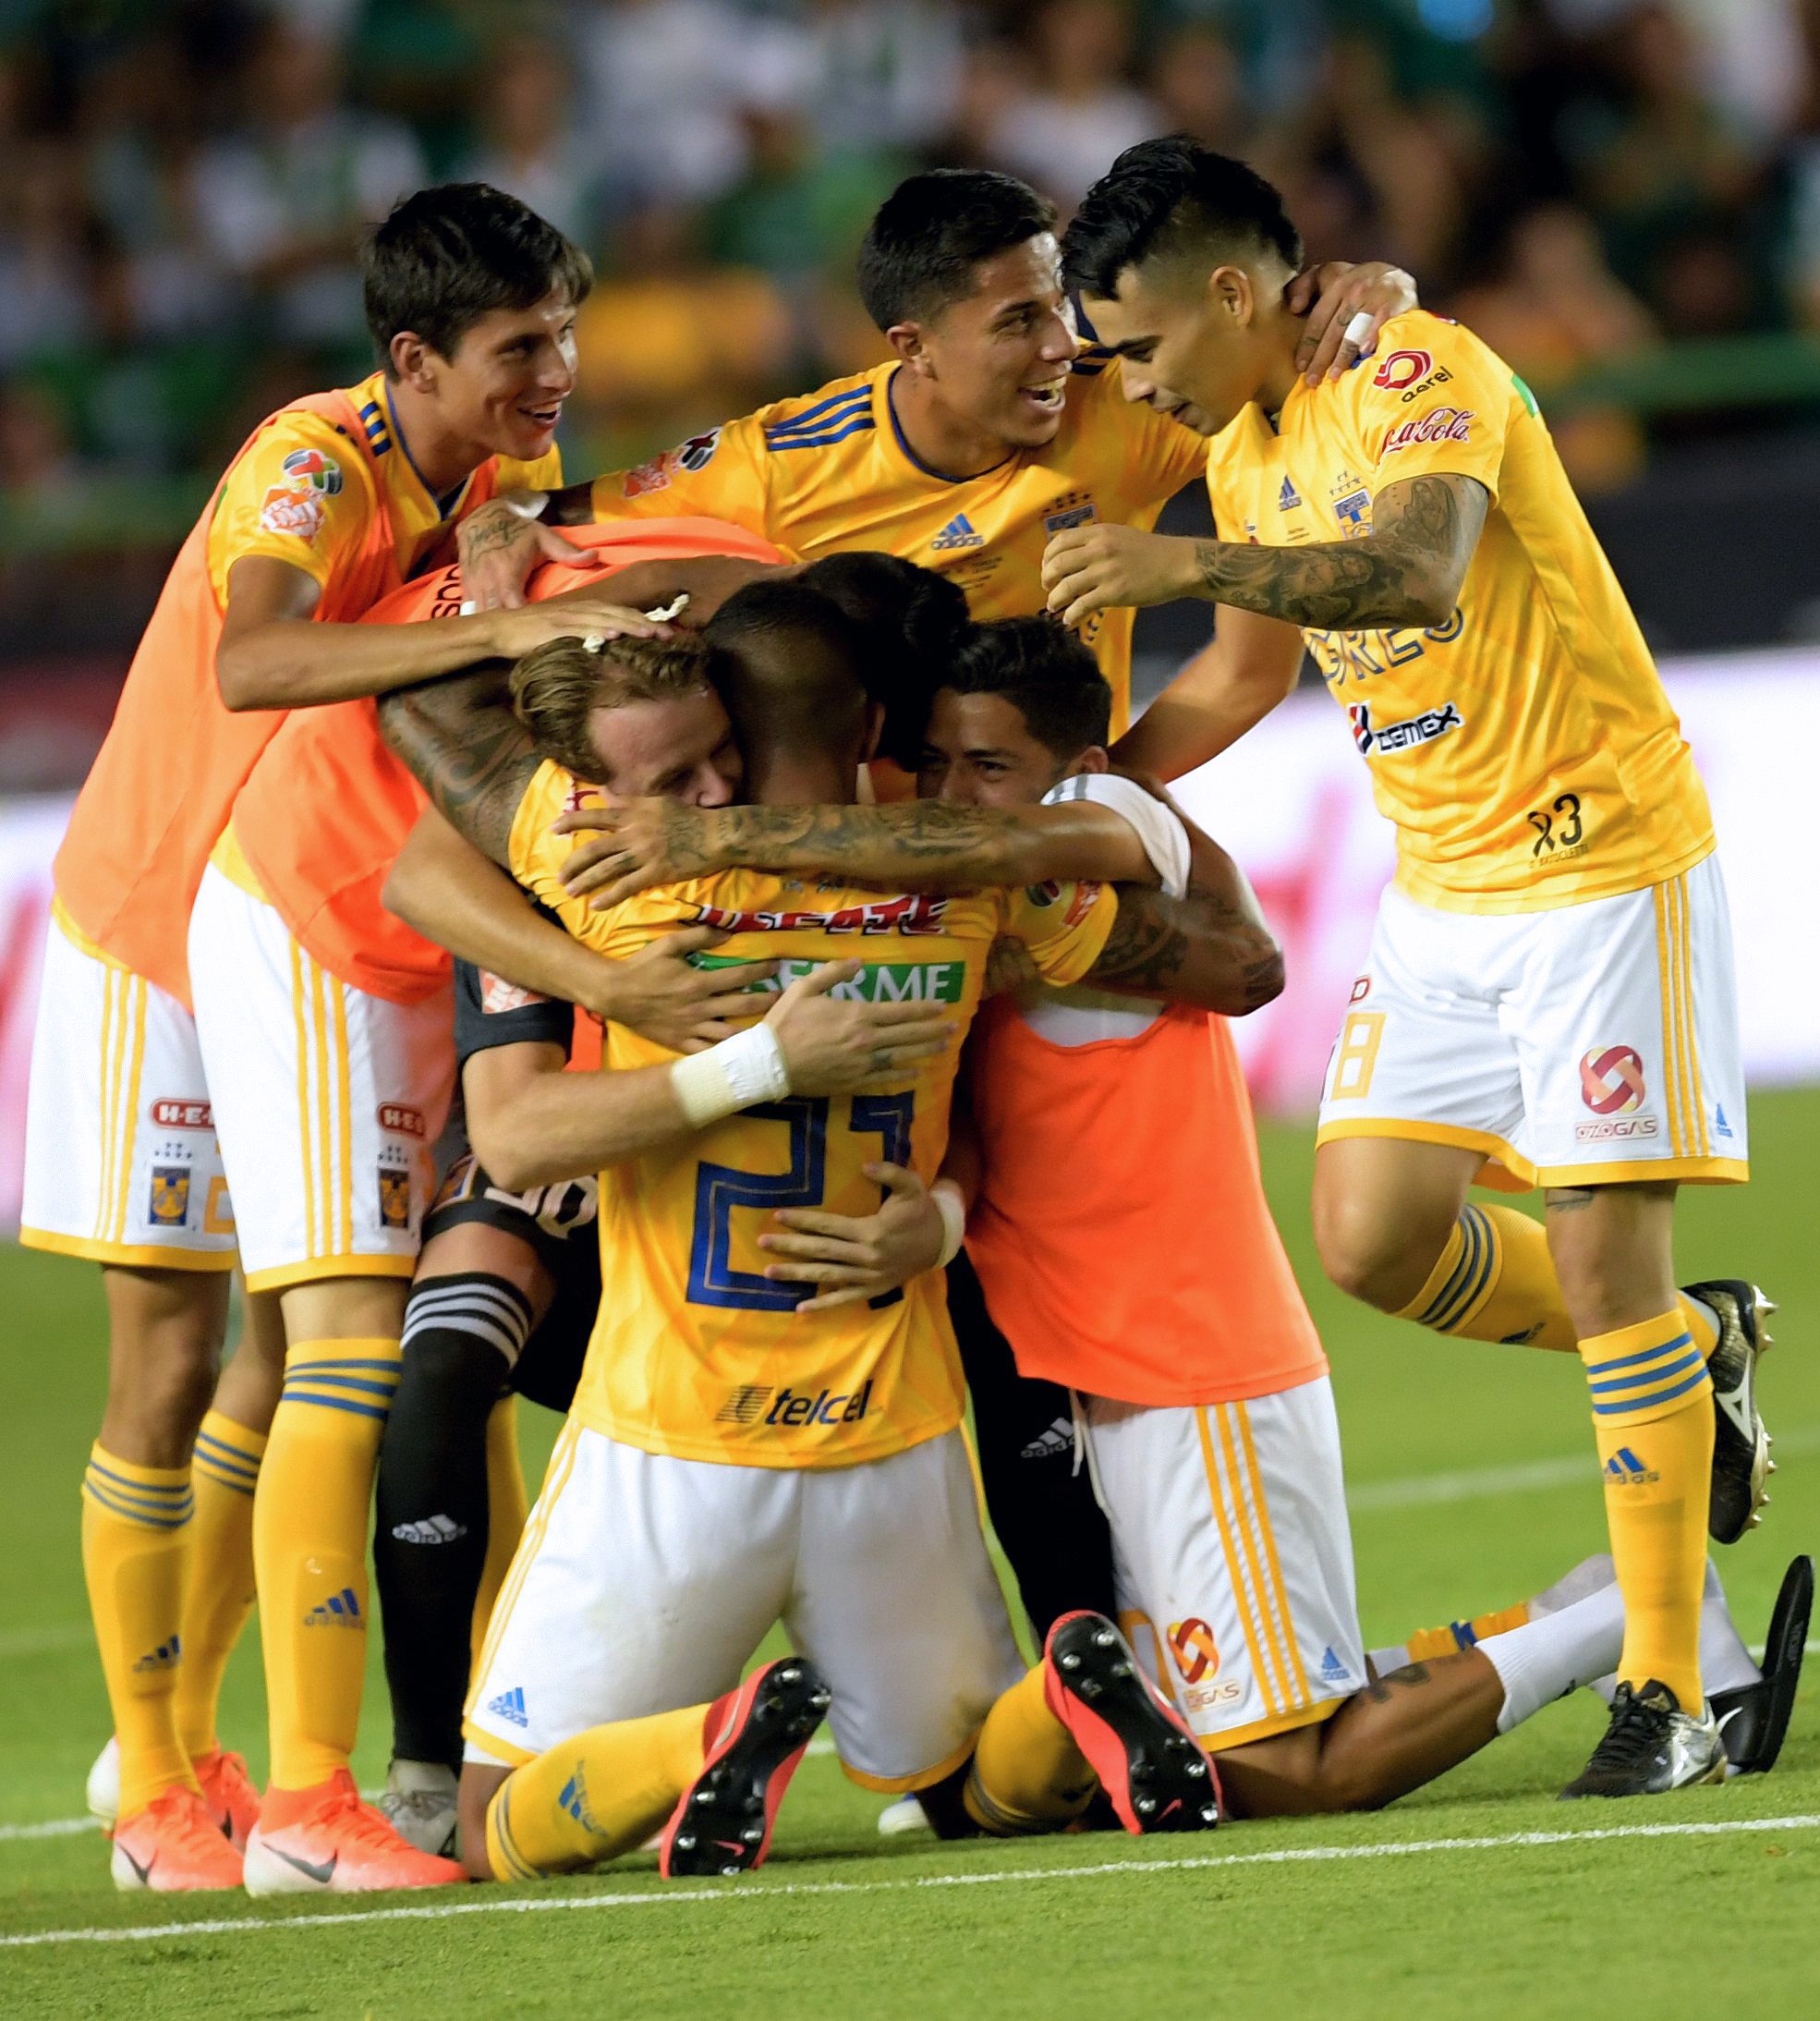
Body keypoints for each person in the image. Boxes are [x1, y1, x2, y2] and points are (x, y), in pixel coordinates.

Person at [565, 615, 1810, 1822]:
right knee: (1211, 1729)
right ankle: (1607, 1602)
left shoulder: (1121, 825)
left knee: (1288, 1767)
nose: (954, 793)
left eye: (988, 765)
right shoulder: (974, 904)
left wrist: (699, 838)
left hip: (1193, 1358)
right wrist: (936, 1216)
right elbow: (990, 1129)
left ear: (1083, 767)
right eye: (938, 762)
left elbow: (1191, 933)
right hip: (1111, 1375)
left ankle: (1646, 1613)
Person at [1043, 138, 1780, 1797]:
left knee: (1604, 1269)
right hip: (1442, 888)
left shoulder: (1420, 365)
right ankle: (1697, 1349)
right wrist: (1094, 798)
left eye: (1146, 343)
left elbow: (1417, 570)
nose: (1139, 382)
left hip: (1598, 859)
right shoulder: (1242, 440)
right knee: (1372, 1233)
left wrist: (1176, 564)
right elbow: (1244, 676)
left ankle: (1676, 1688)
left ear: (1235, 291)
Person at [370, 588, 1284, 1881]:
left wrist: (724, 1048)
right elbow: (1240, 967)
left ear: (731, 724)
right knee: (969, 1788)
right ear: (872, 722)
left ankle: (708, 1735)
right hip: (892, 1435)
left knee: (495, 1825)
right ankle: (1073, 1682)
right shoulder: (966, 882)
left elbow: (503, 1110)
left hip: (675, 1433)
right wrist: (950, 1207)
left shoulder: (619, 872)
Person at [18, 182, 661, 1897]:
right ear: (413, 358)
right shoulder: (309, 462)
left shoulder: (485, 477)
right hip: (153, 925)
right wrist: (504, 616)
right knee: (170, 1365)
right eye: (523, 347)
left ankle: (237, 1744)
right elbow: (250, 664)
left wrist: (511, 558)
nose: (560, 373)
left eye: (566, 336)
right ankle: (164, 1777)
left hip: (304, 922)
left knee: (282, 1352)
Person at [450, 166, 1420, 731]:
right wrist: (504, 516)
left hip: (1052, 820)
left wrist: (1374, 286)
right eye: (1015, 323)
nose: (1058, 347)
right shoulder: (779, 462)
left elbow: (1286, 353)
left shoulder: (1125, 398)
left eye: (1058, 309)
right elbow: (560, 513)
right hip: (878, 838)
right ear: (912, 347)